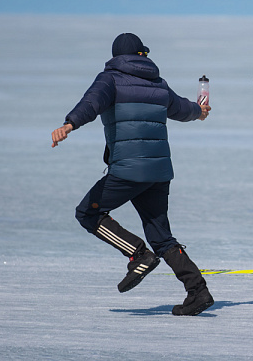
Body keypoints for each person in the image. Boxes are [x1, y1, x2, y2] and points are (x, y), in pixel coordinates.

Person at [51, 33, 214, 316]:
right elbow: (182, 108)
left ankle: (138, 254)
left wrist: (69, 124)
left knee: (87, 213)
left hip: (128, 169)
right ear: (141, 55)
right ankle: (197, 292)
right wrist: (199, 112)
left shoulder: (110, 79)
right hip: (159, 172)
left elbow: (91, 103)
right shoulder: (158, 83)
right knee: (161, 236)